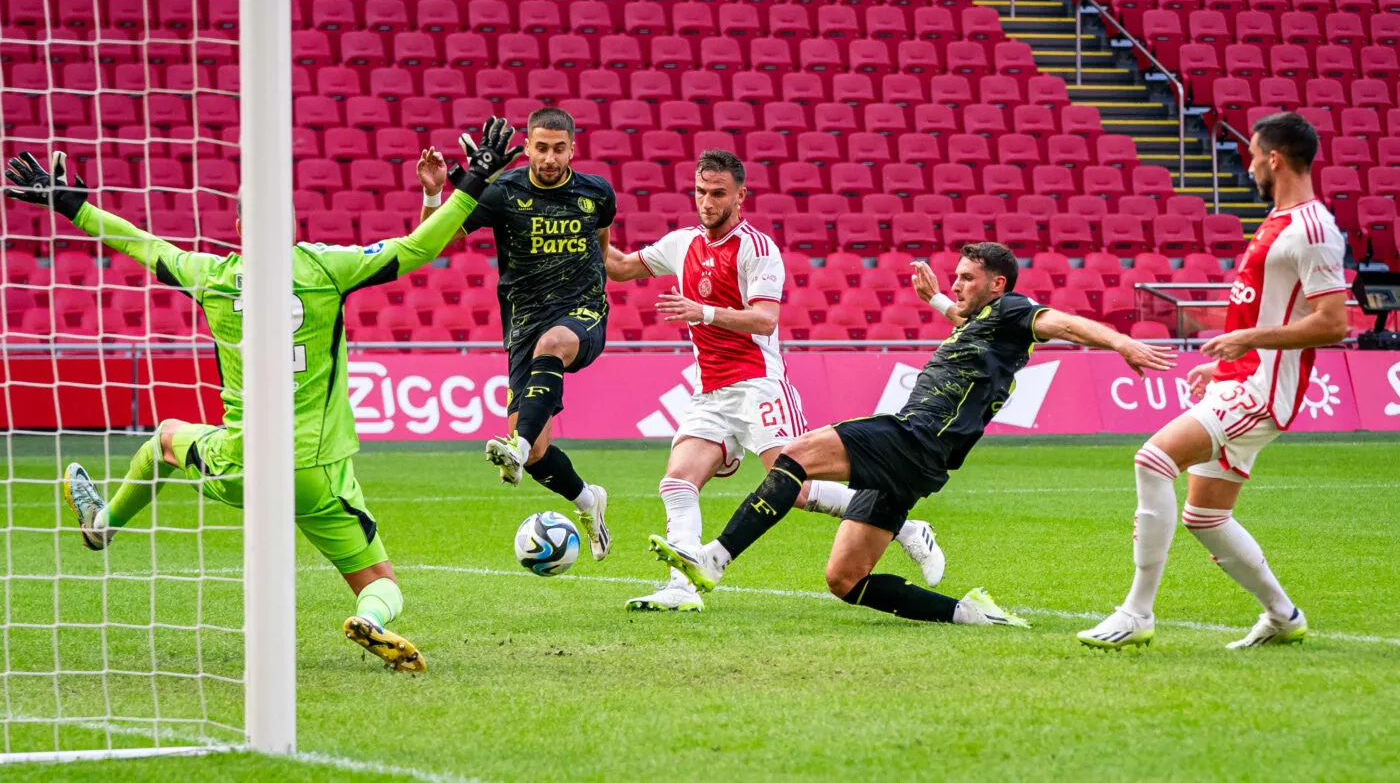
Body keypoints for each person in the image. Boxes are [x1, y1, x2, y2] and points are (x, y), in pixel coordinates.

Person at [4, 136, 514, 672]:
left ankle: (102, 526)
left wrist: (71, 205)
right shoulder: (326, 269)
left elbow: (141, 244)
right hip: (312, 473)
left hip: (239, 464)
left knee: (165, 440)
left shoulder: (211, 277)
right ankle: (374, 621)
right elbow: (418, 248)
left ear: (242, 228)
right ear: (292, 226)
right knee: (379, 581)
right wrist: (471, 181)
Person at [651, 242, 1177, 627]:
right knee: (846, 581)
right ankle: (971, 615)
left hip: (917, 437)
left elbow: (1065, 323)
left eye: (968, 278)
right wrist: (935, 300)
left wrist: (1124, 344)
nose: (956, 284)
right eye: (956, 276)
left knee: (794, 456)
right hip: (924, 460)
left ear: (997, 285)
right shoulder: (978, 321)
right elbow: (960, 315)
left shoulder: (1014, 311)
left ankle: (713, 559)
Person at [605, 150, 945, 612]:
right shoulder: (681, 242)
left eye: (718, 193)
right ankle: (681, 589)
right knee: (677, 482)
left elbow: (765, 321)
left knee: (797, 488)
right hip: (710, 392)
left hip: (759, 384)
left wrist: (700, 312)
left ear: (740, 196)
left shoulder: (758, 249)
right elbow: (620, 267)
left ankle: (905, 526)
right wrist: (595, 220)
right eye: (701, 192)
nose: (707, 202)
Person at [1079, 112, 1348, 651]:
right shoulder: (1279, 221)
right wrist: (1224, 359)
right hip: (1241, 377)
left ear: (1274, 158)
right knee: (1206, 514)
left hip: (1265, 389)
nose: (1248, 167)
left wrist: (1248, 343)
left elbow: (1333, 323)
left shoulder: (1314, 230)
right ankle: (1282, 615)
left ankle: (1137, 612)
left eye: (1252, 156)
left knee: (1151, 460)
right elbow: (1264, 306)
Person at [418, 109, 615, 561]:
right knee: (540, 451)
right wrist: (434, 195)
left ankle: (515, 447)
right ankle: (588, 501)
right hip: (525, 324)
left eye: (558, 148)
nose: (549, 157)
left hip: (583, 313)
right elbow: (430, 242)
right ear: (526, 147)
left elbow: (603, 251)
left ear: (572, 148)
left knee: (554, 348)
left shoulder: (596, 193)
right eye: (540, 147)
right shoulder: (503, 194)